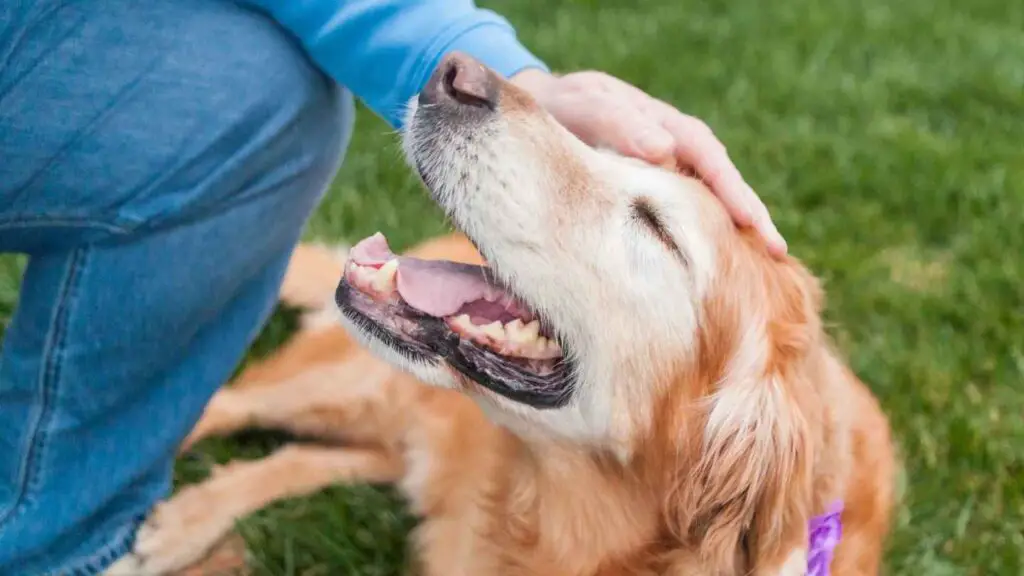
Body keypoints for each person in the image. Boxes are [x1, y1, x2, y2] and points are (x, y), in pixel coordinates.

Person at [0, 0, 786, 573]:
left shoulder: (745, 461)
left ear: (719, 452)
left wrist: (515, 75)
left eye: (651, 231)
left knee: (263, 87)